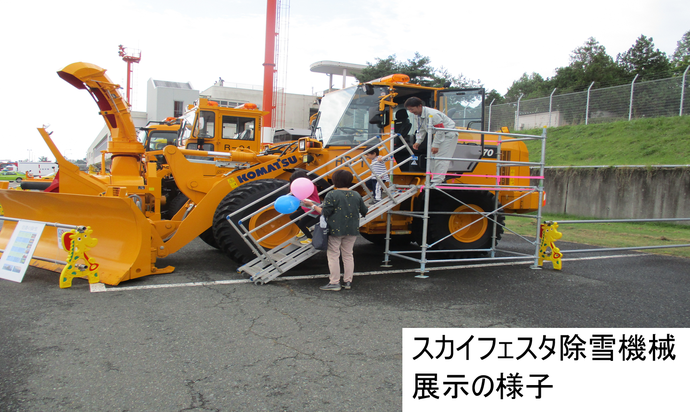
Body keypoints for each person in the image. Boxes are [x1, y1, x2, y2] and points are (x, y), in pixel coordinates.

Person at [303, 169, 368, 291]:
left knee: (333, 255)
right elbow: (364, 211)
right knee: (348, 255)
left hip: (335, 229)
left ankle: (334, 282)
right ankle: (348, 282)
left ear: (335, 181)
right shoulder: (356, 195)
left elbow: (324, 212)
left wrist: (311, 205)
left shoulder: (332, 195)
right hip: (352, 229)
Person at [404, 96, 458, 184]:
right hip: (438, 135)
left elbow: (441, 129)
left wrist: (436, 145)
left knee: (441, 157)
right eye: (409, 109)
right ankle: (433, 178)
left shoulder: (433, 114)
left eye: (412, 109)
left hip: (448, 134)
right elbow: (420, 129)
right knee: (432, 157)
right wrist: (418, 141)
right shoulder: (417, 115)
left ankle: (437, 180)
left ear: (419, 106)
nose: (411, 111)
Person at [289, 169, 321, 245]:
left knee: (301, 224)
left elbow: (304, 195)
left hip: (313, 208)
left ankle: (310, 238)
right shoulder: (306, 186)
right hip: (306, 208)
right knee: (292, 217)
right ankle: (305, 230)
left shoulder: (310, 186)